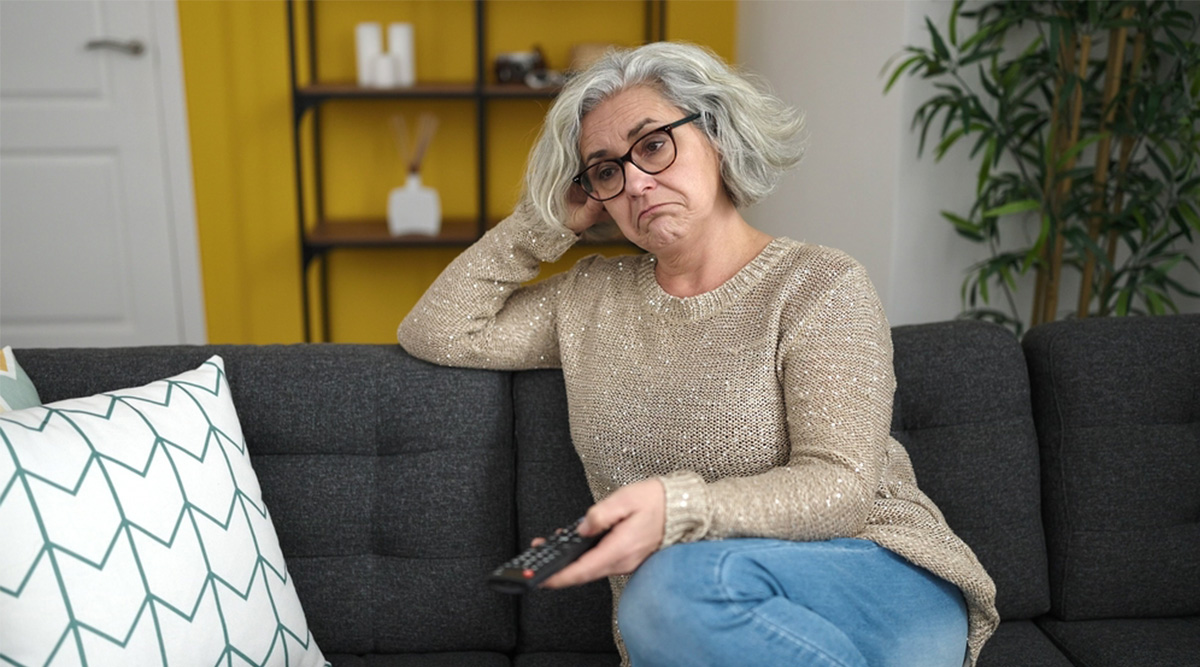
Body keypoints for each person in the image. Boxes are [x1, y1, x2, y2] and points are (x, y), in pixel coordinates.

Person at [398, 41, 998, 667]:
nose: (634, 181)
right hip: (695, 620)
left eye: (652, 144)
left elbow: (843, 486)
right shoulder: (588, 300)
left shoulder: (820, 285)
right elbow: (439, 329)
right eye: (605, 170)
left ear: (716, 134)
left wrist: (675, 510)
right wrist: (542, 222)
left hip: (873, 577)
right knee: (675, 592)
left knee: (676, 583)